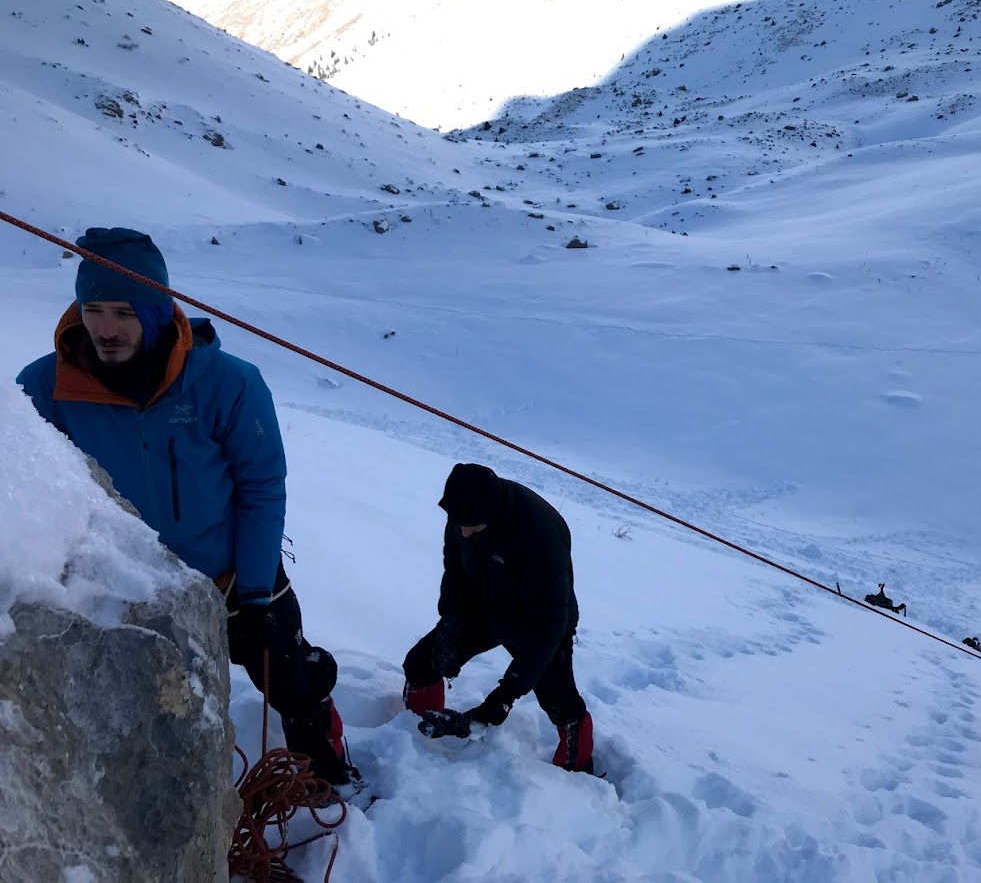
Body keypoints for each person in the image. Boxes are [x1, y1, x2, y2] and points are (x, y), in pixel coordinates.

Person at [16, 228, 361, 793]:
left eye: (123, 311)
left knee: (292, 677)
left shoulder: (226, 383)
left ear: (156, 311)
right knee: (159, 697)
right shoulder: (46, 387)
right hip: (132, 585)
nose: (104, 328)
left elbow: (261, 487)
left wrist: (253, 591)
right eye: (92, 308)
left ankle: (324, 760)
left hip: (231, 575)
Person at [403, 462, 595, 774]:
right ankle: (418, 740)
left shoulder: (540, 533)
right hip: (484, 610)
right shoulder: (465, 511)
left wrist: (500, 702)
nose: (463, 532)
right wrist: (451, 624)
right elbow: (455, 570)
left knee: (561, 704)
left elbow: (548, 624)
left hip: (539, 624)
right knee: (421, 664)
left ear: (492, 515)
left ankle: (576, 773)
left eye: (473, 527)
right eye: (458, 524)